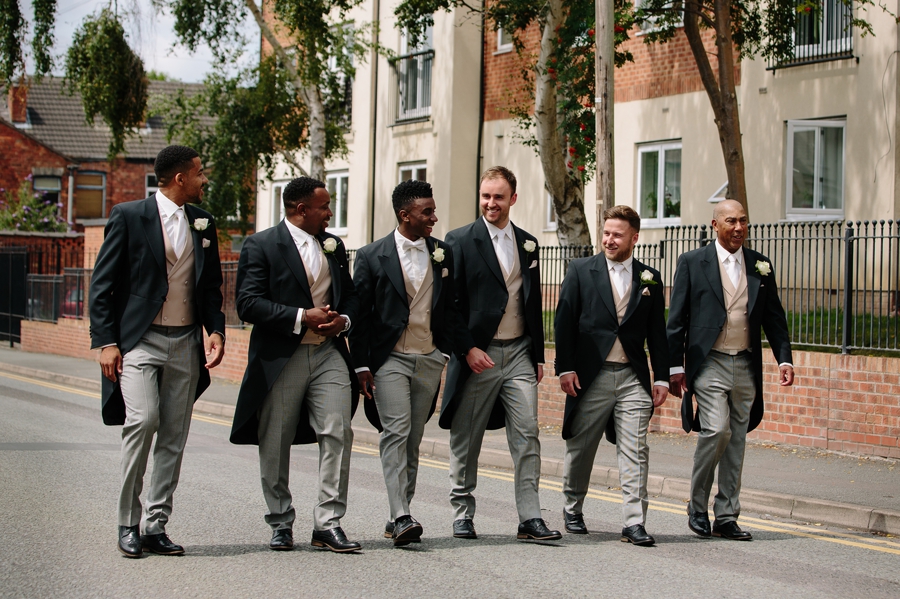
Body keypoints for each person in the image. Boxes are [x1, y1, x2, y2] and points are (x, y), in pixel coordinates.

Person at [89, 145, 226, 558]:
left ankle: (155, 526)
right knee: (143, 420)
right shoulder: (130, 216)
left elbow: (211, 285)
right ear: (181, 178)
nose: (205, 179)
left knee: (173, 436)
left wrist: (215, 329)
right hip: (141, 341)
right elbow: (102, 284)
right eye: (200, 173)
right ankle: (127, 522)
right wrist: (106, 342)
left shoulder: (203, 222)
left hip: (185, 341)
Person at [229, 176, 361, 553]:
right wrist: (302, 315)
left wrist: (344, 321)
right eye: (324, 207)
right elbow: (248, 303)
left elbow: (351, 296)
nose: (331, 212)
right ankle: (280, 520)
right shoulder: (261, 245)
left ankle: (328, 522)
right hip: (282, 358)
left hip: (328, 354)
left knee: (338, 431)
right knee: (275, 440)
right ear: (302, 210)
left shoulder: (333, 247)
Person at [440, 166, 561, 541]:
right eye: (485, 196)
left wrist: (538, 355)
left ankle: (530, 518)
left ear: (513, 198)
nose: (491, 203)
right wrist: (467, 349)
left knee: (527, 434)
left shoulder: (528, 243)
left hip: (520, 354)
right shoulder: (458, 241)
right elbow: (449, 307)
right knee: (467, 435)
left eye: (498, 196)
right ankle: (462, 511)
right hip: (480, 355)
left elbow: (532, 300)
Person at [667, 199, 794, 541]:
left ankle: (726, 515)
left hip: (746, 363)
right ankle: (697, 506)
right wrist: (675, 366)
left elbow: (774, 319)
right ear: (715, 224)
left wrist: (784, 358)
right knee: (716, 430)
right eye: (731, 221)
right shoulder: (693, 262)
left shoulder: (760, 265)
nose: (738, 228)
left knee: (736, 440)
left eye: (743, 221)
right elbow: (676, 319)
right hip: (709, 361)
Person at [350, 179, 462, 546]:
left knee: (413, 438)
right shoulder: (371, 256)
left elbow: (451, 311)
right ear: (405, 215)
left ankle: (398, 513)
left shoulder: (443, 253)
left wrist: (444, 353)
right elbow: (361, 316)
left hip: (429, 359)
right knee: (395, 432)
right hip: (390, 360)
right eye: (426, 211)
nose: (434, 217)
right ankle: (401, 515)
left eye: (432, 210)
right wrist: (362, 365)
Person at [555, 205, 669, 546]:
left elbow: (657, 333)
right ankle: (572, 506)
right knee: (582, 446)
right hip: (592, 376)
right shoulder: (580, 270)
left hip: (632, 377)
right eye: (606, 233)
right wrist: (565, 367)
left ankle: (634, 522)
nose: (609, 239)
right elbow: (564, 322)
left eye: (617, 235)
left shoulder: (649, 277)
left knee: (636, 449)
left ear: (634, 238)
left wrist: (661, 377)